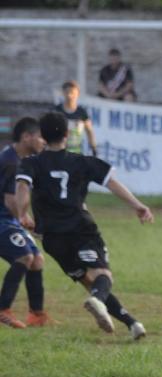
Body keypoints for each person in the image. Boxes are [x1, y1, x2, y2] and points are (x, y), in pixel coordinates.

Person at [15, 112, 153, 340]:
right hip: (80, 229)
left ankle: (132, 323)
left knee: (89, 281)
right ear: (67, 135)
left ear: (42, 136)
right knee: (103, 275)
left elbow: (22, 188)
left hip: (51, 237)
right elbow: (113, 184)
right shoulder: (81, 162)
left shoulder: (31, 163)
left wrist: (22, 213)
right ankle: (99, 303)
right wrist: (138, 206)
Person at [0, 117, 49, 328]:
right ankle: (3, 309)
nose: (43, 142)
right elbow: (10, 200)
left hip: (8, 219)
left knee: (37, 260)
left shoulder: (19, 158)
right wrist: (25, 218)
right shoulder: (11, 161)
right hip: (2, 220)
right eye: (40, 138)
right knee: (24, 256)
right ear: (27, 137)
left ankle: (36, 314)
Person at [54, 81, 98, 156]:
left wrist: (94, 149)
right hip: (59, 153)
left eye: (73, 93)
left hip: (76, 153)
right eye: (67, 92)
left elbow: (89, 131)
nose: (70, 95)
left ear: (78, 94)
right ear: (63, 93)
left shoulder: (82, 112)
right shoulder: (56, 111)